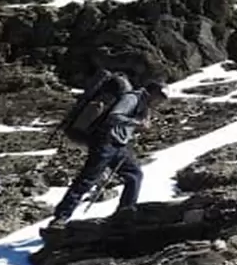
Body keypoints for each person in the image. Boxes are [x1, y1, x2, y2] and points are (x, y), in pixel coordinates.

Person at [46, 79, 168, 229]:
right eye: (160, 97)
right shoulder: (132, 98)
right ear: (153, 92)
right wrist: (136, 123)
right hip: (105, 142)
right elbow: (114, 116)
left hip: (118, 146)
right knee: (87, 179)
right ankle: (60, 218)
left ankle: (125, 214)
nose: (161, 101)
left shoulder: (144, 105)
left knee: (135, 175)